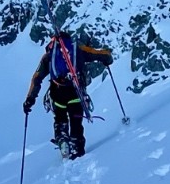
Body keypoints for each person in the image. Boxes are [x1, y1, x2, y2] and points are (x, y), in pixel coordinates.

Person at [23, 30, 114, 158]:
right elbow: (100, 54)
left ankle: (62, 139)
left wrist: (29, 99)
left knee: (60, 119)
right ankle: (77, 147)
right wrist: (108, 59)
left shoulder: (49, 56)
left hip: (57, 93)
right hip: (76, 92)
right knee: (76, 121)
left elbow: (36, 78)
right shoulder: (77, 49)